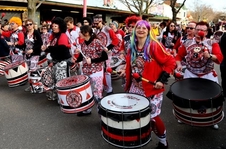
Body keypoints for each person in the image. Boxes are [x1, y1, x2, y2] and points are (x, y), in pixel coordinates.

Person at [124, 20, 175, 149]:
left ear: (148, 31)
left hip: (151, 88)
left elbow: (170, 62)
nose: (141, 30)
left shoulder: (154, 45)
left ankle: (163, 141)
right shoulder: (132, 46)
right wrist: (123, 70)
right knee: (135, 114)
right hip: (135, 87)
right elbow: (132, 65)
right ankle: (138, 138)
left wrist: (161, 80)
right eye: (138, 28)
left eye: (144, 28)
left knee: (153, 117)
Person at [175, 21, 223, 129]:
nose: (199, 31)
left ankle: (212, 118)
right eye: (197, 29)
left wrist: (210, 56)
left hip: (207, 74)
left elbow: (219, 58)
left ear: (206, 32)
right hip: (190, 73)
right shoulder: (187, 42)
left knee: (212, 97)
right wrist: (178, 65)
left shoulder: (212, 43)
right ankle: (184, 114)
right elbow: (178, 56)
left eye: (202, 30)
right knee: (187, 96)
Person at [73, 25, 108, 116]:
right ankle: (87, 110)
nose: (79, 33)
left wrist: (92, 60)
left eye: (81, 31)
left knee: (97, 93)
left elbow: (105, 56)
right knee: (87, 92)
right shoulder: (83, 43)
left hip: (96, 71)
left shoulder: (96, 42)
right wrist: (75, 60)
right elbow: (82, 56)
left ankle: (102, 115)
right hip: (86, 71)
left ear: (86, 33)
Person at [41, 17, 71, 101]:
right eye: (53, 26)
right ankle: (58, 96)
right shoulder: (54, 36)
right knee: (55, 79)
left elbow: (61, 49)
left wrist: (49, 48)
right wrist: (46, 48)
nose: (53, 27)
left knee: (62, 80)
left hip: (63, 61)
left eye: (55, 26)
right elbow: (52, 47)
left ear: (60, 26)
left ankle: (63, 99)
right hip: (56, 61)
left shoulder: (63, 35)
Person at [93, 14, 119, 95]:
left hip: (107, 53)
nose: (95, 25)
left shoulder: (107, 29)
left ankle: (109, 90)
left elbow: (116, 40)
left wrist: (108, 48)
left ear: (101, 22)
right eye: (94, 24)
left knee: (107, 71)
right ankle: (104, 87)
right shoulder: (96, 30)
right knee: (101, 70)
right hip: (100, 54)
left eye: (96, 24)